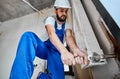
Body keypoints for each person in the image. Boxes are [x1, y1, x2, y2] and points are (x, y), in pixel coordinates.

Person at [9, 0, 89, 79]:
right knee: (28, 37)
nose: (64, 13)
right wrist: (64, 51)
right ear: (55, 10)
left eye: (66, 11)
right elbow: (51, 33)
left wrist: (75, 49)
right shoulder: (50, 19)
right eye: (61, 10)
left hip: (57, 52)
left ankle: (41, 76)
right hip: (45, 48)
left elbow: (69, 37)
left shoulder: (67, 24)